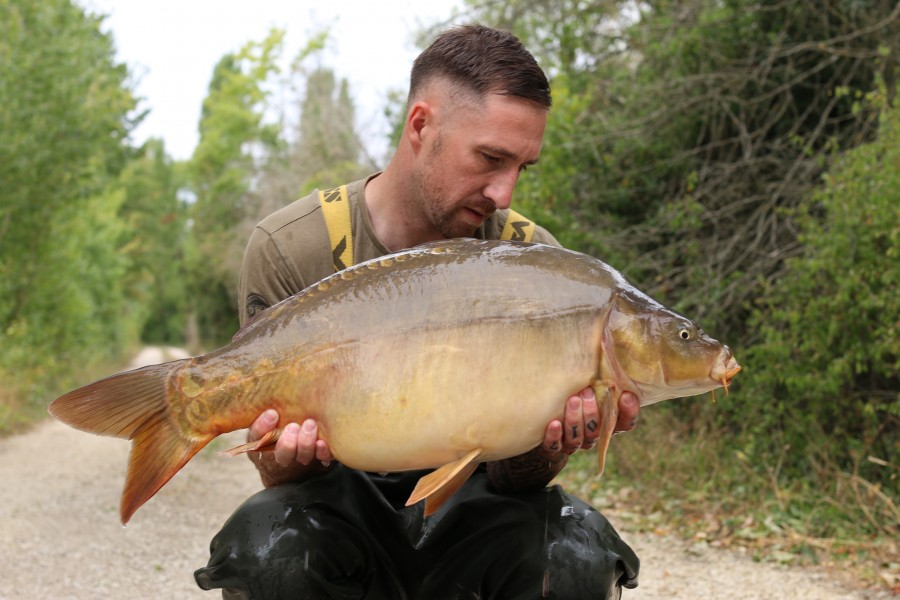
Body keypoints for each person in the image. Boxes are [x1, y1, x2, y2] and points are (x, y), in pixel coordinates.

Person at [195, 24, 640, 599]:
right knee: (265, 546)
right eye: (489, 158)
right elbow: (281, 479)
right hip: (340, 507)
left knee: (579, 551)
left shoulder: (540, 267)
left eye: (521, 168)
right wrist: (285, 456)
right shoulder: (291, 247)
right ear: (420, 126)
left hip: (474, 515)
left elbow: (517, 481)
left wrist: (551, 444)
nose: (503, 194)